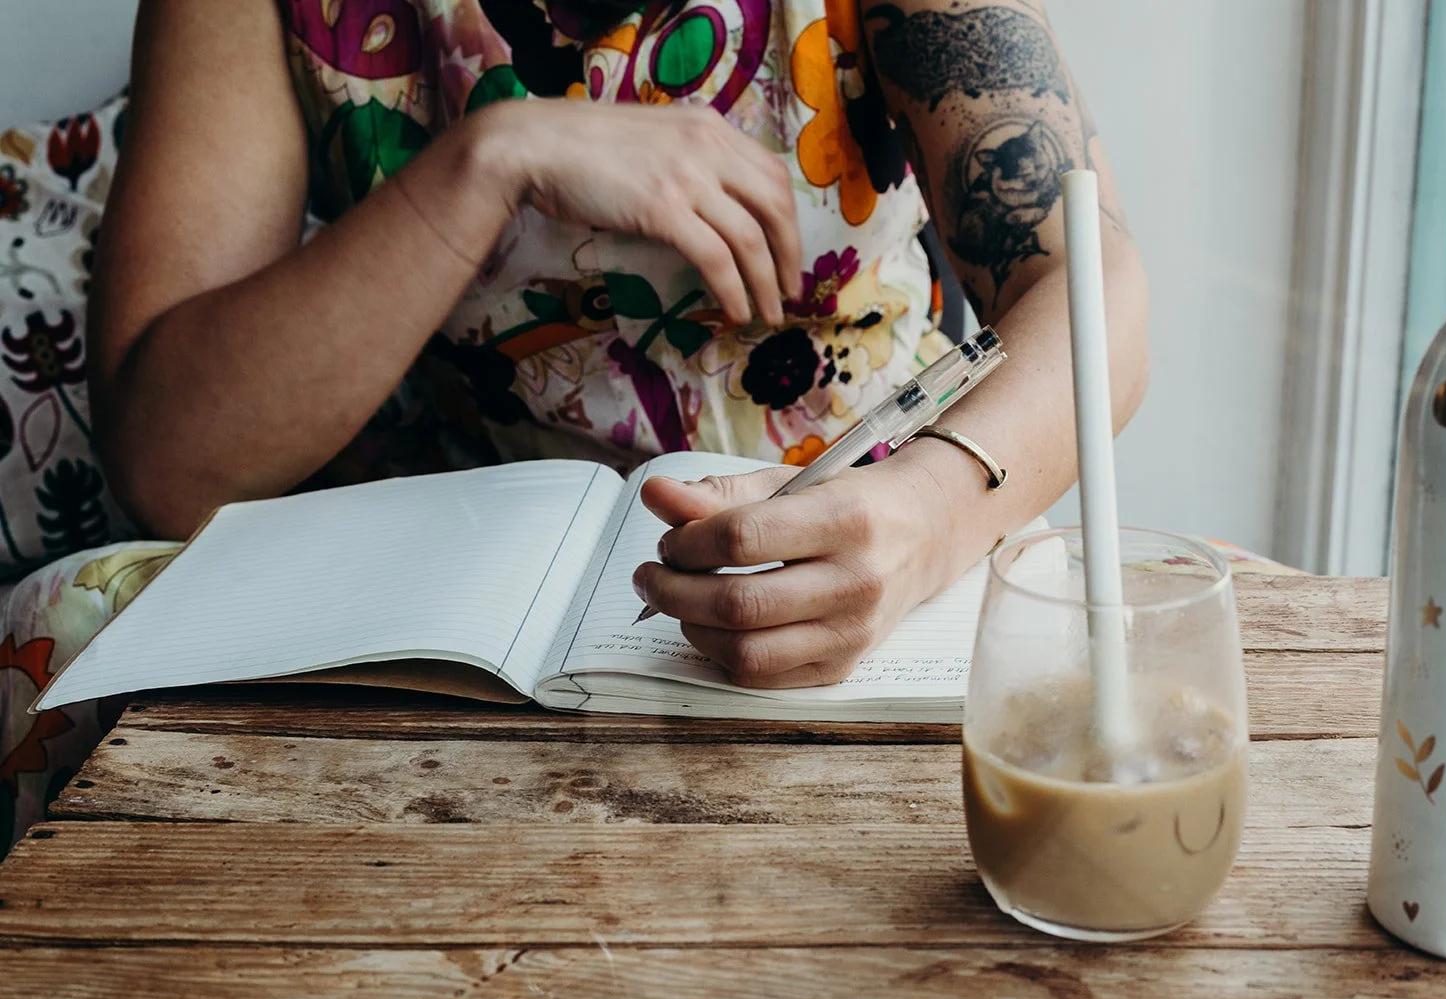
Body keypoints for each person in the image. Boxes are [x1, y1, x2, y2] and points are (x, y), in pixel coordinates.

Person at [0, 0, 1152, 852]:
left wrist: (925, 515)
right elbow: (170, 456)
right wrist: (488, 163)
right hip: (472, 630)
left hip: (897, 550)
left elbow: (1094, 294)